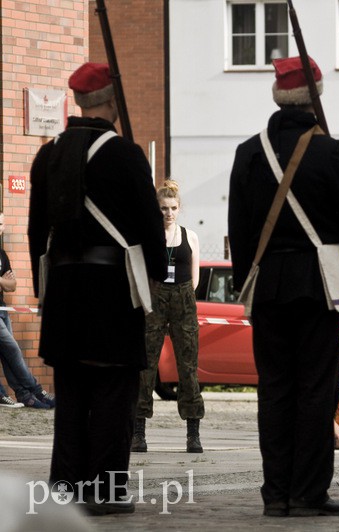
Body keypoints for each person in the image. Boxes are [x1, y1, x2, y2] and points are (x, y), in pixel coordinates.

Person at [228, 56, 339, 518]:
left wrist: (246, 288)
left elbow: (239, 231)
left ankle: (275, 492)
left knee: (275, 390)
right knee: (316, 390)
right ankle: (308, 492)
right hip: (319, 286)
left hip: (269, 287)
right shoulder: (327, 150)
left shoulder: (248, 151)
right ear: (315, 95)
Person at [27, 62, 167, 514]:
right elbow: (151, 227)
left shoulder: (48, 155)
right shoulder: (125, 155)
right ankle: (105, 492)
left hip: (64, 291)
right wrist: (156, 277)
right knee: (112, 394)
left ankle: (66, 488)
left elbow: (35, 233)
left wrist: (41, 288)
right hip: (111, 291)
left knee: (70, 396)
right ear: (111, 102)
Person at [132, 180, 204, 454]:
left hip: (184, 299)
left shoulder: (191, 236)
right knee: (146, 365)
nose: (169, 213)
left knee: (188, 367)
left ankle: (193, 433)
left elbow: (195, 277)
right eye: (163, 208)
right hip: (155, 299)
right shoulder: (149, 237)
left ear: (179, 208)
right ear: (157, 209)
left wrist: (184, 298)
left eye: (173, 208)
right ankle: (138, 432)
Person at [0, 212, 55, 409]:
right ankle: (36, 389)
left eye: (2, 224)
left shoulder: (2, 254)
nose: (0, 227)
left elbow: (12, 285)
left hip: (3, 309)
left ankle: (24, 395)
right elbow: (6, 282)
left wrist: (3, 282)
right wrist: (2, 281)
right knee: (13, 349)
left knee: (7, 355)